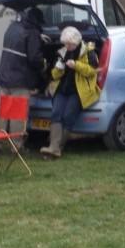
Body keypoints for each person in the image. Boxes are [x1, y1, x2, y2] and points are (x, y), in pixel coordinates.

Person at [40, 26, 100, 158]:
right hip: (62, 89)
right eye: (65, 43)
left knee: (68, 116)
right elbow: (54, 75)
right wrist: (58, 69)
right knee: (56, 113)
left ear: (76, 41)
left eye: (69, 43)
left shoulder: (89, 52)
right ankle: (54, 148)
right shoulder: (61, 52)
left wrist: (76, 65)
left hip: (78, 91)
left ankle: (56, 147)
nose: (67, 46)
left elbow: (92, 71)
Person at [0, 8, 45, 150]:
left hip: (4, 77)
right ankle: (16, 146)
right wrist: (43, 64)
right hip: (20, 80)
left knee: (3, 112)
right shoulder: (32, 32)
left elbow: (20, 43)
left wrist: (38, 37)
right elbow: (34, 58)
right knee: (17, 114)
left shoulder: (12, 27)